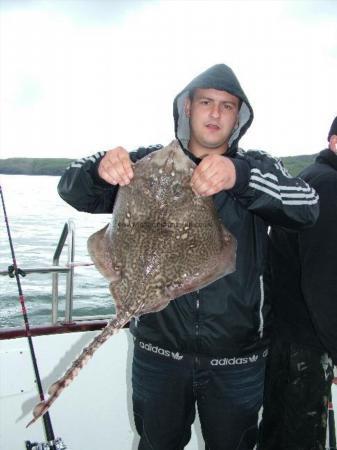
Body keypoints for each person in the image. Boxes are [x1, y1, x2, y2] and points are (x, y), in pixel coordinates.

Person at [57, 64, 319, 450]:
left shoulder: (256, 167)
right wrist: (100, 170)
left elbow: (307, 205)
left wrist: (238, 176)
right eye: (206, 103)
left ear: (239, 117)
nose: (215, 113)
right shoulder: (143, 164)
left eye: (227, 106)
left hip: (237, 360)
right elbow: (71, 186)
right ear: (186, 109)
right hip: (159, 352)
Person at [258, 116, 337, 450]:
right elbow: (323, 281)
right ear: (335, 140)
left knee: (277, 436)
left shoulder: (312, 179)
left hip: (285, 339)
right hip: (305, 345)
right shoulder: (330, 185)